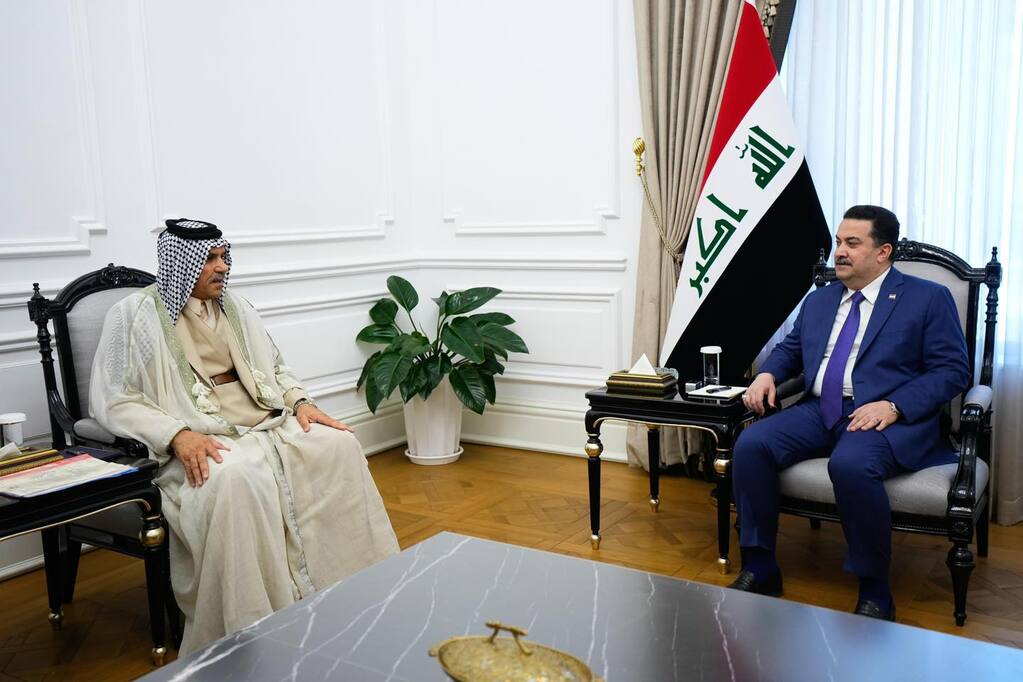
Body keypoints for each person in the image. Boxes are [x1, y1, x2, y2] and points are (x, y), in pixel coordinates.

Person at [90, 219, 399, 653]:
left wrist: (301, 402)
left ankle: (353, 591)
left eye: (223, 257)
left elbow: (276, 367)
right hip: (196, 433)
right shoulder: (134, 316)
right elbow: (115, 398)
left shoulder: (237, 307)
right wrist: (176, 434)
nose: (222, 267)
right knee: (233, 476)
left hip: (264, 416)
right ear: (180, 263)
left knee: (338, 445)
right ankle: (251, 628)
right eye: (209, 259)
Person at [728, 205, 970, 621]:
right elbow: (791, 349)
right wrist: (768, 373)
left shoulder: (928, 298)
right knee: (751, 444)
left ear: (883, 252)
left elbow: (953, 370)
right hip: (819, 410)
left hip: (882, 416)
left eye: (852, 243)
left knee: (851, 464)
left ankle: (875, 590)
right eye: (839, 241)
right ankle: (760, 566)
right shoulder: (820, 300)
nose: (839, 251)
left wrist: (895, 405)